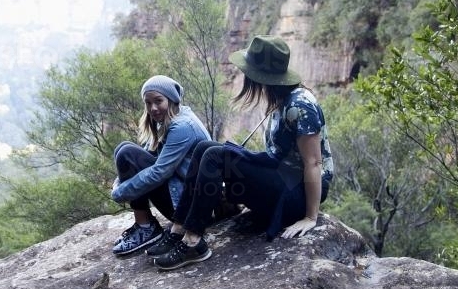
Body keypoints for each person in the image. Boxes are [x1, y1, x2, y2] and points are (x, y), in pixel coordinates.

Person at [148, 35, 334, 270]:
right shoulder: (281, 98)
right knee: (206, 147)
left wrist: (310, 217)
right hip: (283, 179)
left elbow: (315, 163)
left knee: (217, 156)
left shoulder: (300, 105)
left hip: (297, 194)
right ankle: (179, 228)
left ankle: (194, 241)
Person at [110, 75, 211, 255]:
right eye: (148, 103)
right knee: (123, 149)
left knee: (127, 153)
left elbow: (159, 172)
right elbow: (148, 156)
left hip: (188, 208)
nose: (153, 108)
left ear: (171, 99)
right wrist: (120, 182)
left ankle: (146, 227)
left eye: (158, 101)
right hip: (181, 197)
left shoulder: (182, 126)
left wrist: (120, 192)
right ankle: (144, 225)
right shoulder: (170, 118)